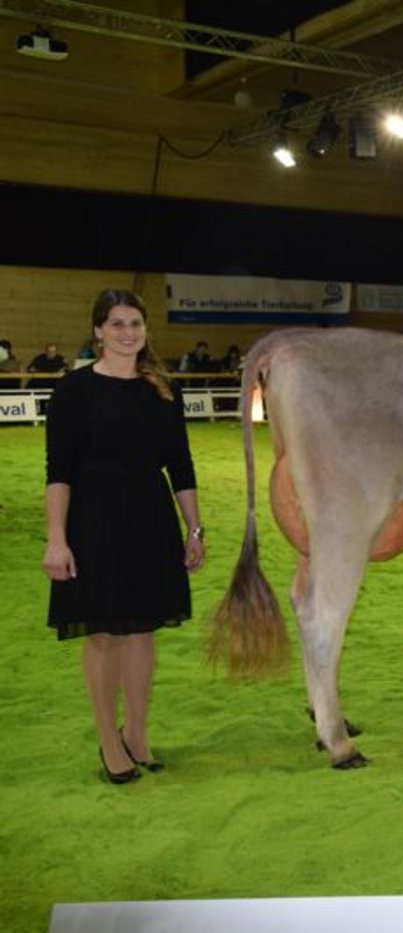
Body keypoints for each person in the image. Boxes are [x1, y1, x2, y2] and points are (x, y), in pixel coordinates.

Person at [41, 289, 205, 784]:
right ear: (98, 330)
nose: (128, 332)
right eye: (117, 324)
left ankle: (136, 732)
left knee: (142, 631)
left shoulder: (161, 389)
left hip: (151, 516)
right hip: (93, 516)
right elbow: (59, 470)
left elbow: (180, 464)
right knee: (105, 633)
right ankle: (108, 741)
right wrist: (56, 538)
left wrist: (193, 528)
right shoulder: (73, 391)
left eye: (135, 323)